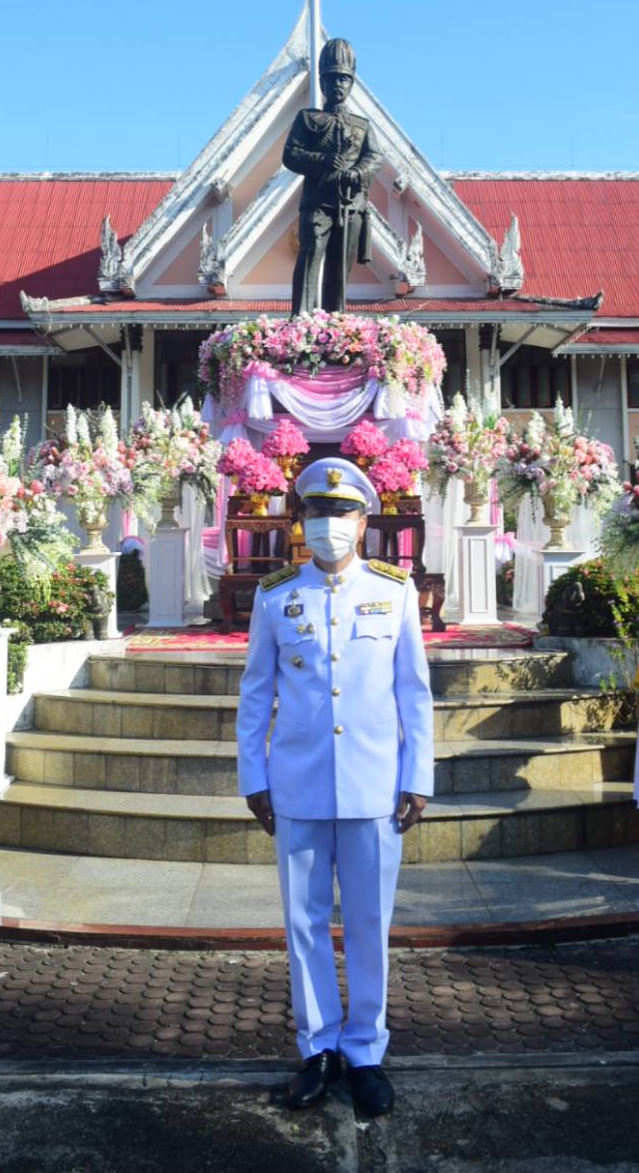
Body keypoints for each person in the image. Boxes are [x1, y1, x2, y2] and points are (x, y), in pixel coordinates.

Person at [235, 456, 434, 1117]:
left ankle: (366, 1050)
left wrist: (417, 776)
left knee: (371, 922)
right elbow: (255, 692)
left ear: (363, 518)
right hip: (296, 785)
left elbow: (413, 693)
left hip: (375, 785)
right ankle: (317, 1045)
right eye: (315, 512)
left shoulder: (395, 591)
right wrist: (252, 776)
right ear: (299, 521)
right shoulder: (275, 595)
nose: (328, 524)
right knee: (304, 923)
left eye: (340, 512)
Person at [282, 36, 383, 315]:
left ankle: (335, 320)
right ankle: (302, 317)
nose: (337, 84)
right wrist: (323, 160)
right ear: (322, 82)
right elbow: (291, 154)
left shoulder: (362, 127)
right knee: (310, 254)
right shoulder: (308, 119)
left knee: (340, 267)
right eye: (332, 78)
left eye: (343, 79)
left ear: (351, 84)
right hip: (317, 202)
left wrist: (357, 172)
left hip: (350, 205)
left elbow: (374, 157)